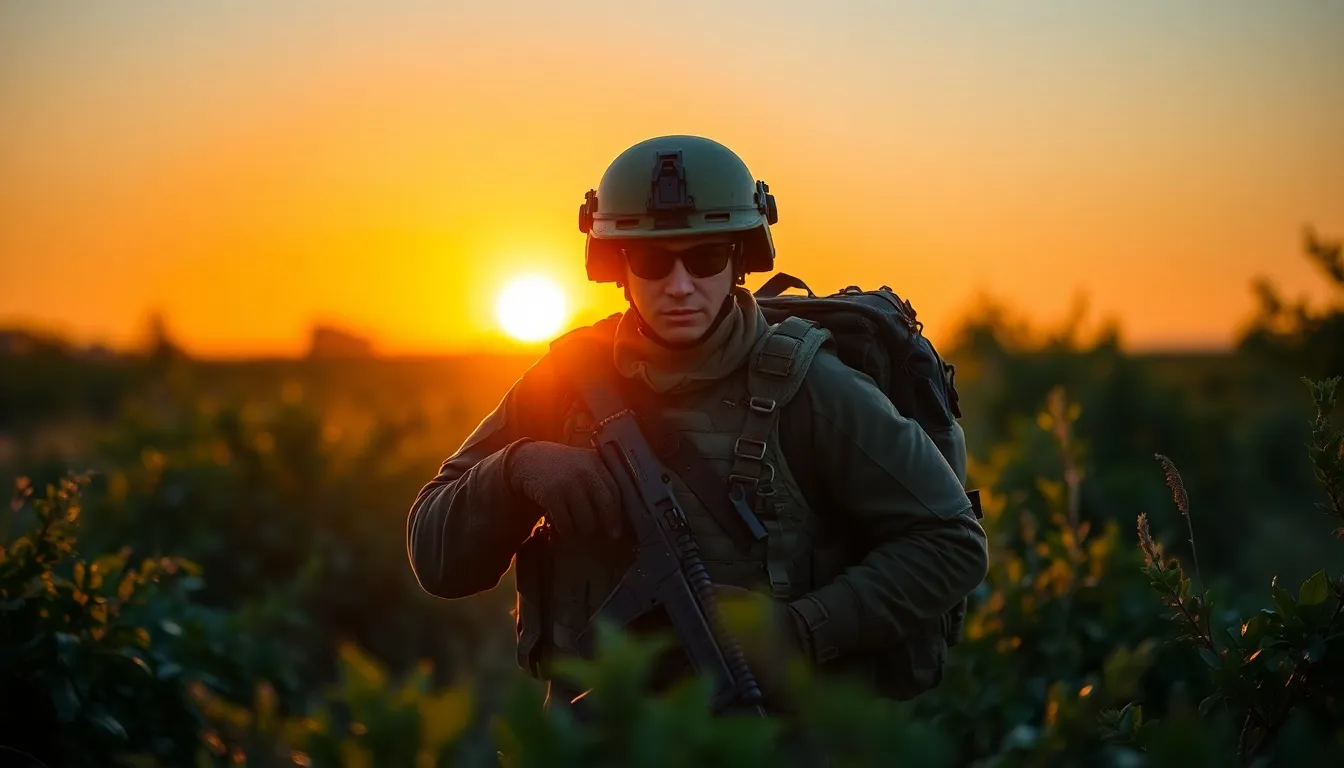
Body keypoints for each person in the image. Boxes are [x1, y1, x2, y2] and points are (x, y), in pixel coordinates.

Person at [405, 135, 989, 725]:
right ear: (618, 265)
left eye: (705, 257)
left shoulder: (810, 386)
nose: (679, 284)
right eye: (654, 261)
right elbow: (435, 558)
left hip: (760, 737)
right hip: (601, 741)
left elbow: (951, 541)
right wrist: (515, 470)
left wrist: (798, 631)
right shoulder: (566, 381)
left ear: (740, 257)